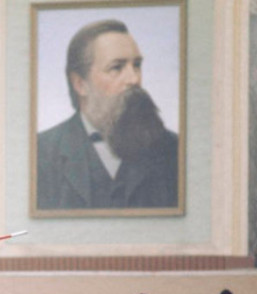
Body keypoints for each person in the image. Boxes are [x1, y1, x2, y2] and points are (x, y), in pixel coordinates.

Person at [37, 19, 178, 211]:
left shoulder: (173, 150)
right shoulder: (40, 154)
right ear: (80, 84)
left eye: (136, 65)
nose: (134, 79)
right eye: (116, 68)